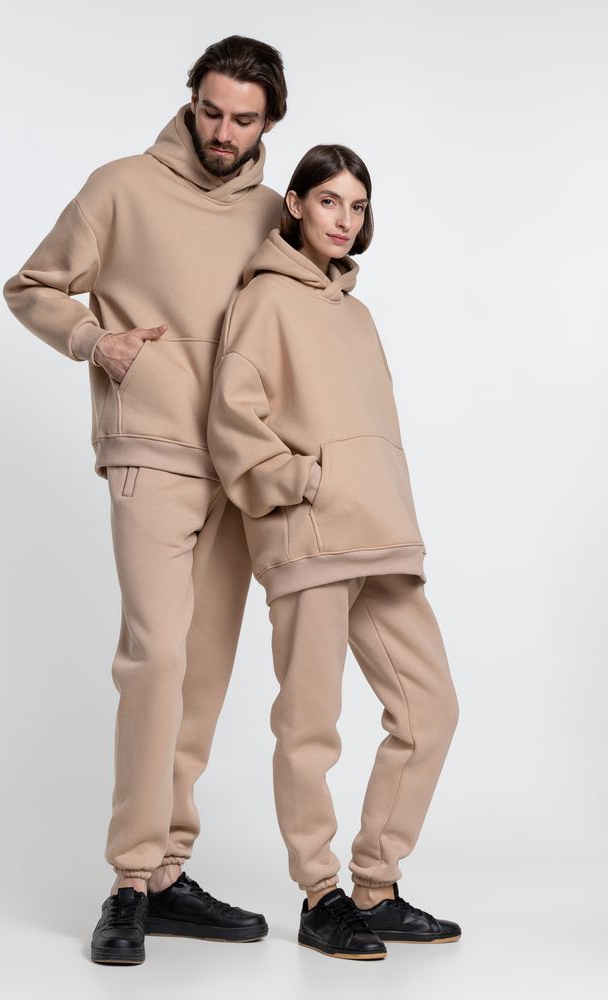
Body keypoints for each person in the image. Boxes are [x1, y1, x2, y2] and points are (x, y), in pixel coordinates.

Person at [2, 36, 287, 965]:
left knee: (202, 672)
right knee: (156, 657)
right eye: (211, 111)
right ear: (191, 100)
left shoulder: (274, 213)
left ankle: (169, 872)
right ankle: (129, 880)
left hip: (241, 467)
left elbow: (303, 317)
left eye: (243, 119)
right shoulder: (121, 186)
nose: (223, 131)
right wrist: (97, 341)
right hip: (152, 452)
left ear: (269, 123)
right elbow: (31, 285)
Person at [206, 145, 461, 961]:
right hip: (310, 537)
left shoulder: (358, 314)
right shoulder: (262, 300)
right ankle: (321, 895)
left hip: (380, 537)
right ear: (294, 204)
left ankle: (374, 888)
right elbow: (232, 421)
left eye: (357, 205)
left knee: (430, 710)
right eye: (328, 201)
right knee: (310, 725)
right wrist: (302, 480)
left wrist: (377, 498)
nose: (344, 219)